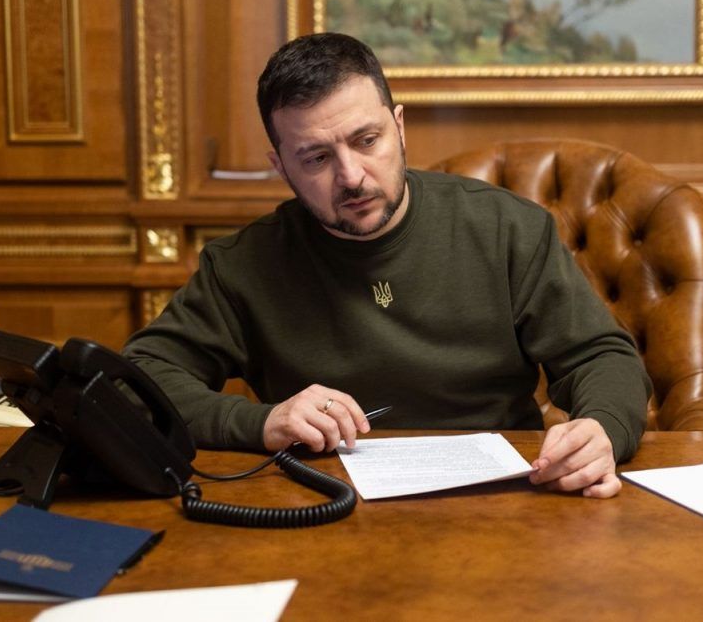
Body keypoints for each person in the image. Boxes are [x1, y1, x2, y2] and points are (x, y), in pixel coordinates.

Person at [123, 32, 650, 498]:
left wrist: (601, 429)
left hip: (503, 496)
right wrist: (262, 423)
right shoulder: (243, 265)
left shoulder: (508, 228)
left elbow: (600, 356)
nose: (351, 176)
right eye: (317, 158)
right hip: (324, 498)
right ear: (281, 167)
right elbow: (137, 381)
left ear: (399, 127)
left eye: (366, 140)